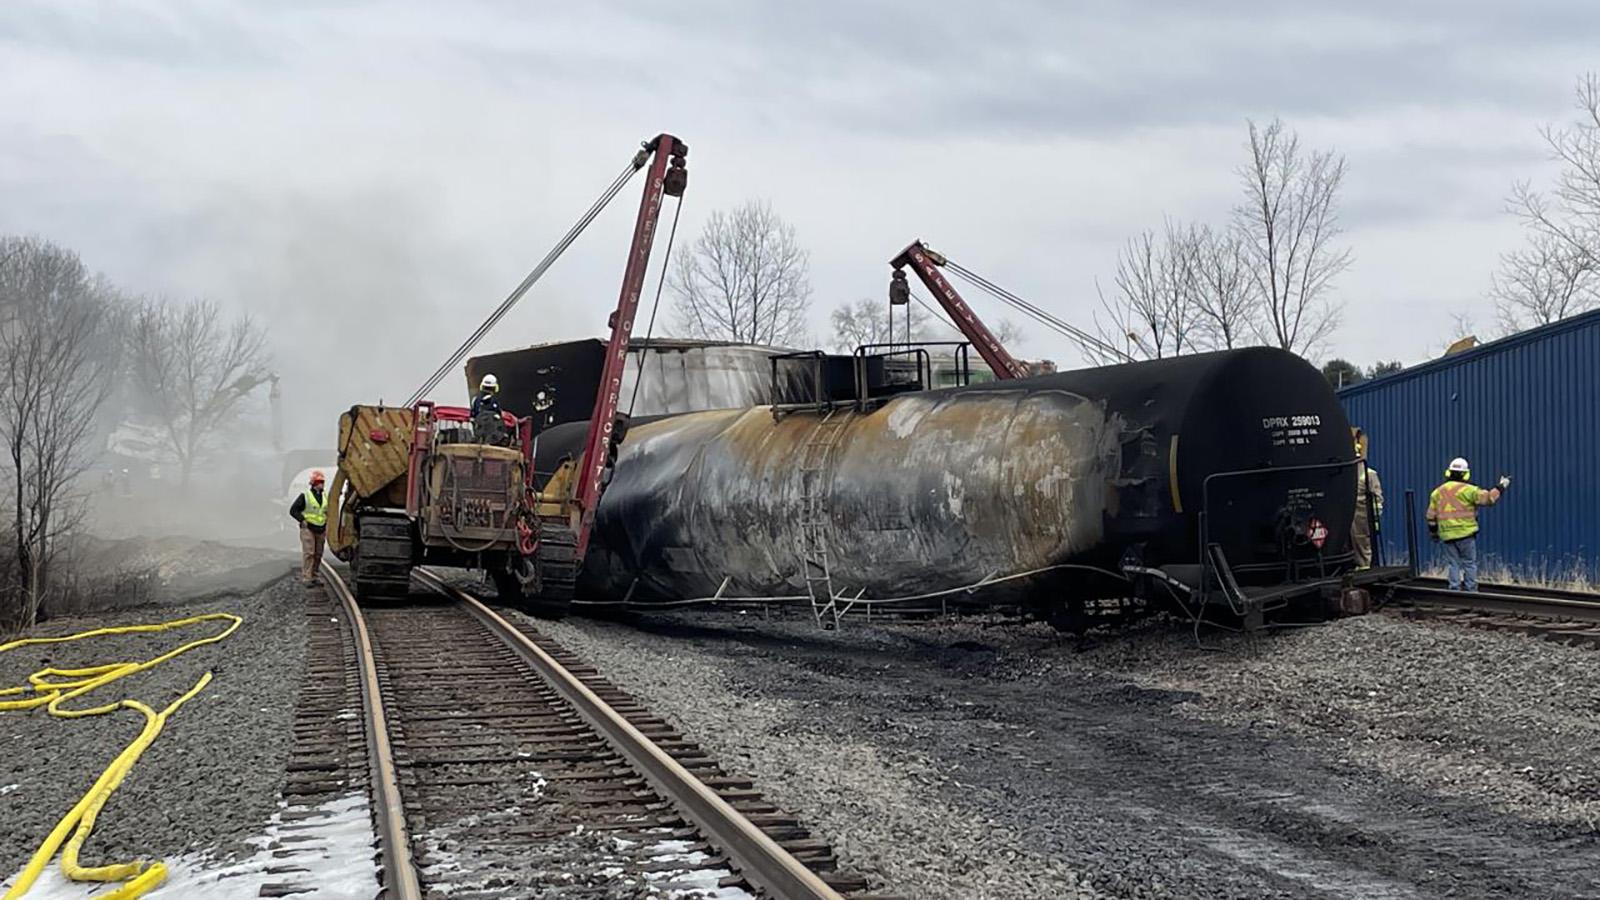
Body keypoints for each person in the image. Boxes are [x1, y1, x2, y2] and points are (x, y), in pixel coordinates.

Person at [1426, 457, 1511, 592]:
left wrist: (1434, 533)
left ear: (1448, 472)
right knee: (1469, 563)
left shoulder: (1437, 492)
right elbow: (1489, 498)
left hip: (1447, 535)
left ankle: (1454, 589)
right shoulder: (1470, 490)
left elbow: (1430, 516)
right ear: (1466, 474)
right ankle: (1470, 590)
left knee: (1453, 564)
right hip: (1465, 534)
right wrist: (1501, 487)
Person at [1351, 428, 1384, 569]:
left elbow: (1378, 500)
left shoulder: (1369, 475)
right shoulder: (1347, 474)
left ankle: (1365, 568)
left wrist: (1374, 519)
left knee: (1363, 545)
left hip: (1362, 517)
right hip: (1351, 517)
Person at [290, 470, 329, 584]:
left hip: (321, 528)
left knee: (318, 554)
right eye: (319, 482)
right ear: (314, 483)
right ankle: (307, 577)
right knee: (309, 553)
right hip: (308, 528)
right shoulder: (305, 496)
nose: (322, 484)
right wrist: (302, 520)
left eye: (322, 482)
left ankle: (315, 575)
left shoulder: (325, 497)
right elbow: (293, 510)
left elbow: (326, 511)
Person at [471, 373, 506, 444]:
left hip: (478, 433)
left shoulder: (475, 400)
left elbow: (472, 416)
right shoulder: (495, 402)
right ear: (495, 387)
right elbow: (499, 418)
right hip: (493, 437)